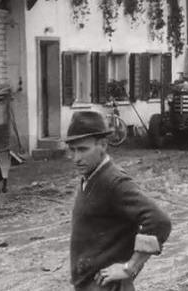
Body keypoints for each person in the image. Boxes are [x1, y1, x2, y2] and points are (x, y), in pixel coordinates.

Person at [65, 111, 172, 291]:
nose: (76, 158)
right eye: (73, 150)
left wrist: (130, 267)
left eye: (83, 149)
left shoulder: (114, 181)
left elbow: (159, 221)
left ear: (103, 145)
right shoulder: (91, 176)